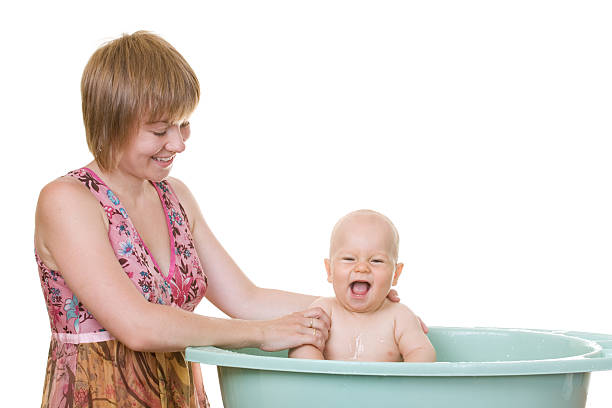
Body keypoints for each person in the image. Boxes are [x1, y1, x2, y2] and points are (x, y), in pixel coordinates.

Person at [34, 31, 415, 408]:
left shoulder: (175, 196)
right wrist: (259, 334)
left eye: (183, 124)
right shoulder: (69, 201)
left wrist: (352, 302)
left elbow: (245, 298)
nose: (179, 143)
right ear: (110, 122)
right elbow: (138, 326)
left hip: (179, 394)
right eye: (160, 130)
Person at [289, 210, 436, 362]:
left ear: (396, 274)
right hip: (329, 385)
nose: (361, 267)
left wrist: (407, 381)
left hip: (385, 387)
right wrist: (318, 374)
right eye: (349, 258)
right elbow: (301, 347)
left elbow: (422, 352)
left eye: (376, 261)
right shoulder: (324, 311)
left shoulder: (400, 316)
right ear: (329, 270)